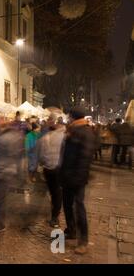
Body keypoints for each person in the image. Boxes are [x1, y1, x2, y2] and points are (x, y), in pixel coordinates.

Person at [60, 106, 96, 255]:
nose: (68, 119)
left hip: (77, 177)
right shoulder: (73, 129)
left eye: (69, 116)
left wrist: (77, 177)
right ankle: (71, 230)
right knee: (67, 205)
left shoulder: (85, 132)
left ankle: (83, 241)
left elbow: (84, 158)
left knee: (79, 208)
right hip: (67, 175)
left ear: (74, 117)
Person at [0, 115, 23, 234]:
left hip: (4, 172)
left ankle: (0, 223)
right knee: (0, 199)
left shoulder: (10, 135)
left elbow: (15, 154)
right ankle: (1, 221)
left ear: (4, 121)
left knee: (0, 199)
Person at [37, 117, 66, 228]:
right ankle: (55, 217)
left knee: (54, 192)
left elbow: (40, 155)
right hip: (58, 169)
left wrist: (43, 164)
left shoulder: (44, 138)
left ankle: (54, 215)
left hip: (48, 169)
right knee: (57, 192)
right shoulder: (64, 136)